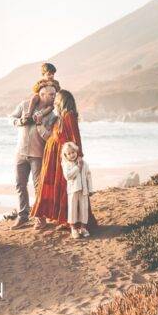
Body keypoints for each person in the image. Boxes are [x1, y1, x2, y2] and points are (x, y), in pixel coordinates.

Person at [31, 89, 97, 230]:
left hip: (62, 156)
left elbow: (75, 136)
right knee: (58, 187)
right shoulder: (61, 116)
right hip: (54, 156)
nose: (54, 100)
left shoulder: (69, 115)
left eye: (57, 98)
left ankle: (71, 221)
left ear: (62, 101)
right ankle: (64, 219)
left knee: (66, 188)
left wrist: (79, 156)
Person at [9, 85, 58, 229]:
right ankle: (23, 216)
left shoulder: (52, 116)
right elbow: (11, 118)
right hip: (20, 153)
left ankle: (40, 218)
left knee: (39, 187)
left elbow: (49, 137)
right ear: (42, 94)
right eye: (51, 95)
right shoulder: (24, 105)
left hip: (38, 154)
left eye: (54, 95)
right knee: (20, 185)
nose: (54, 97)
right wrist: (19, 121)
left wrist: (39, 123)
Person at [61, 141, 93, 239]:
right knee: (73, 209)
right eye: (69, 153)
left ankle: (83, 228)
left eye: (73, 152)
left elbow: (88, 176)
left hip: (83, 189)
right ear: (65, 155)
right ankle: (73, 229)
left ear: (76, 151)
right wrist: (77, 167)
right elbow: (68, 176)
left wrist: (90, 189)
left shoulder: (84, 163)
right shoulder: (66, 164)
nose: (72, 155)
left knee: (84, 208)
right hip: (73, 190)